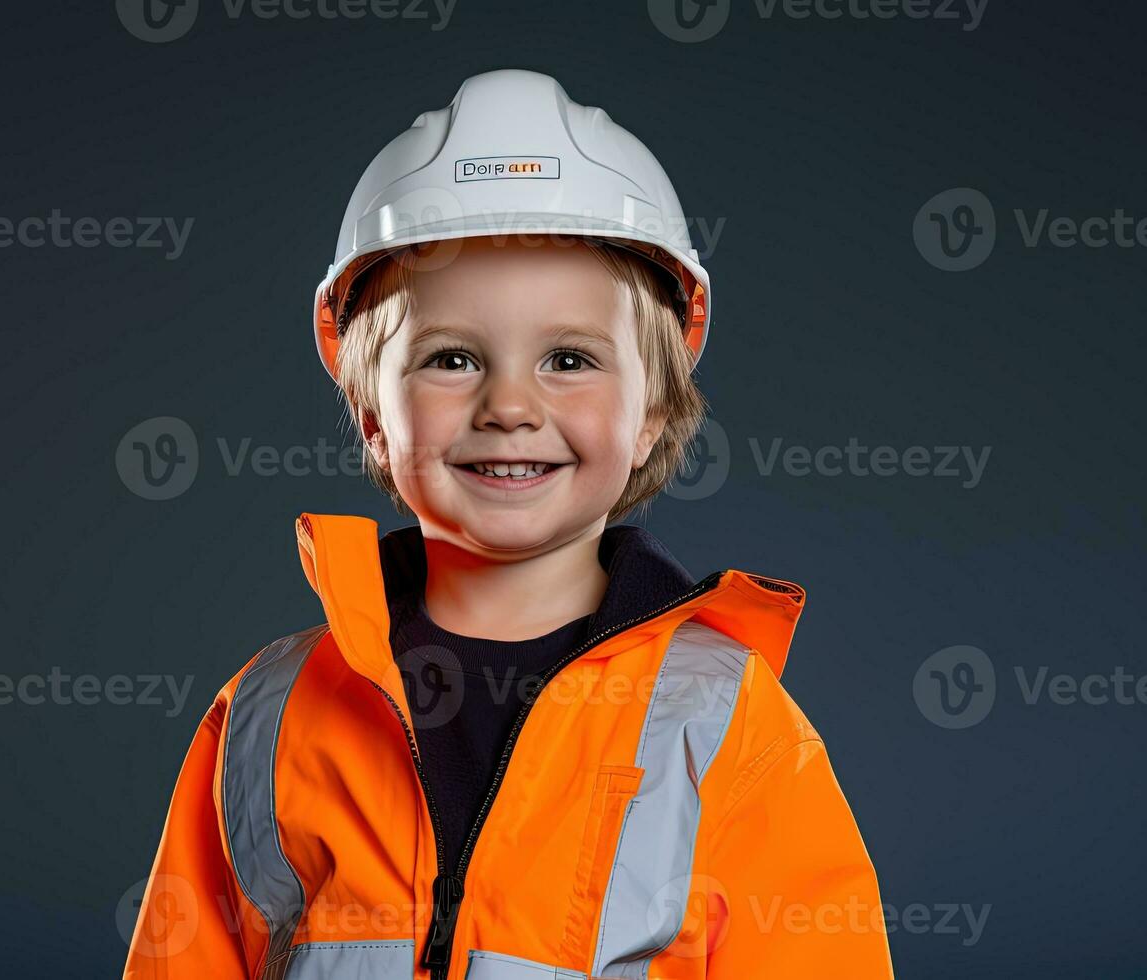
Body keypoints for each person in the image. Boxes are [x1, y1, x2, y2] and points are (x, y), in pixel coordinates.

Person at [123, 68, 894, 980]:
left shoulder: (724, 725)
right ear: (372, 408)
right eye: (452, 358)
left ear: (653, 409)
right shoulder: (270, 713)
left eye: (569, 358)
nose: (510, 406)